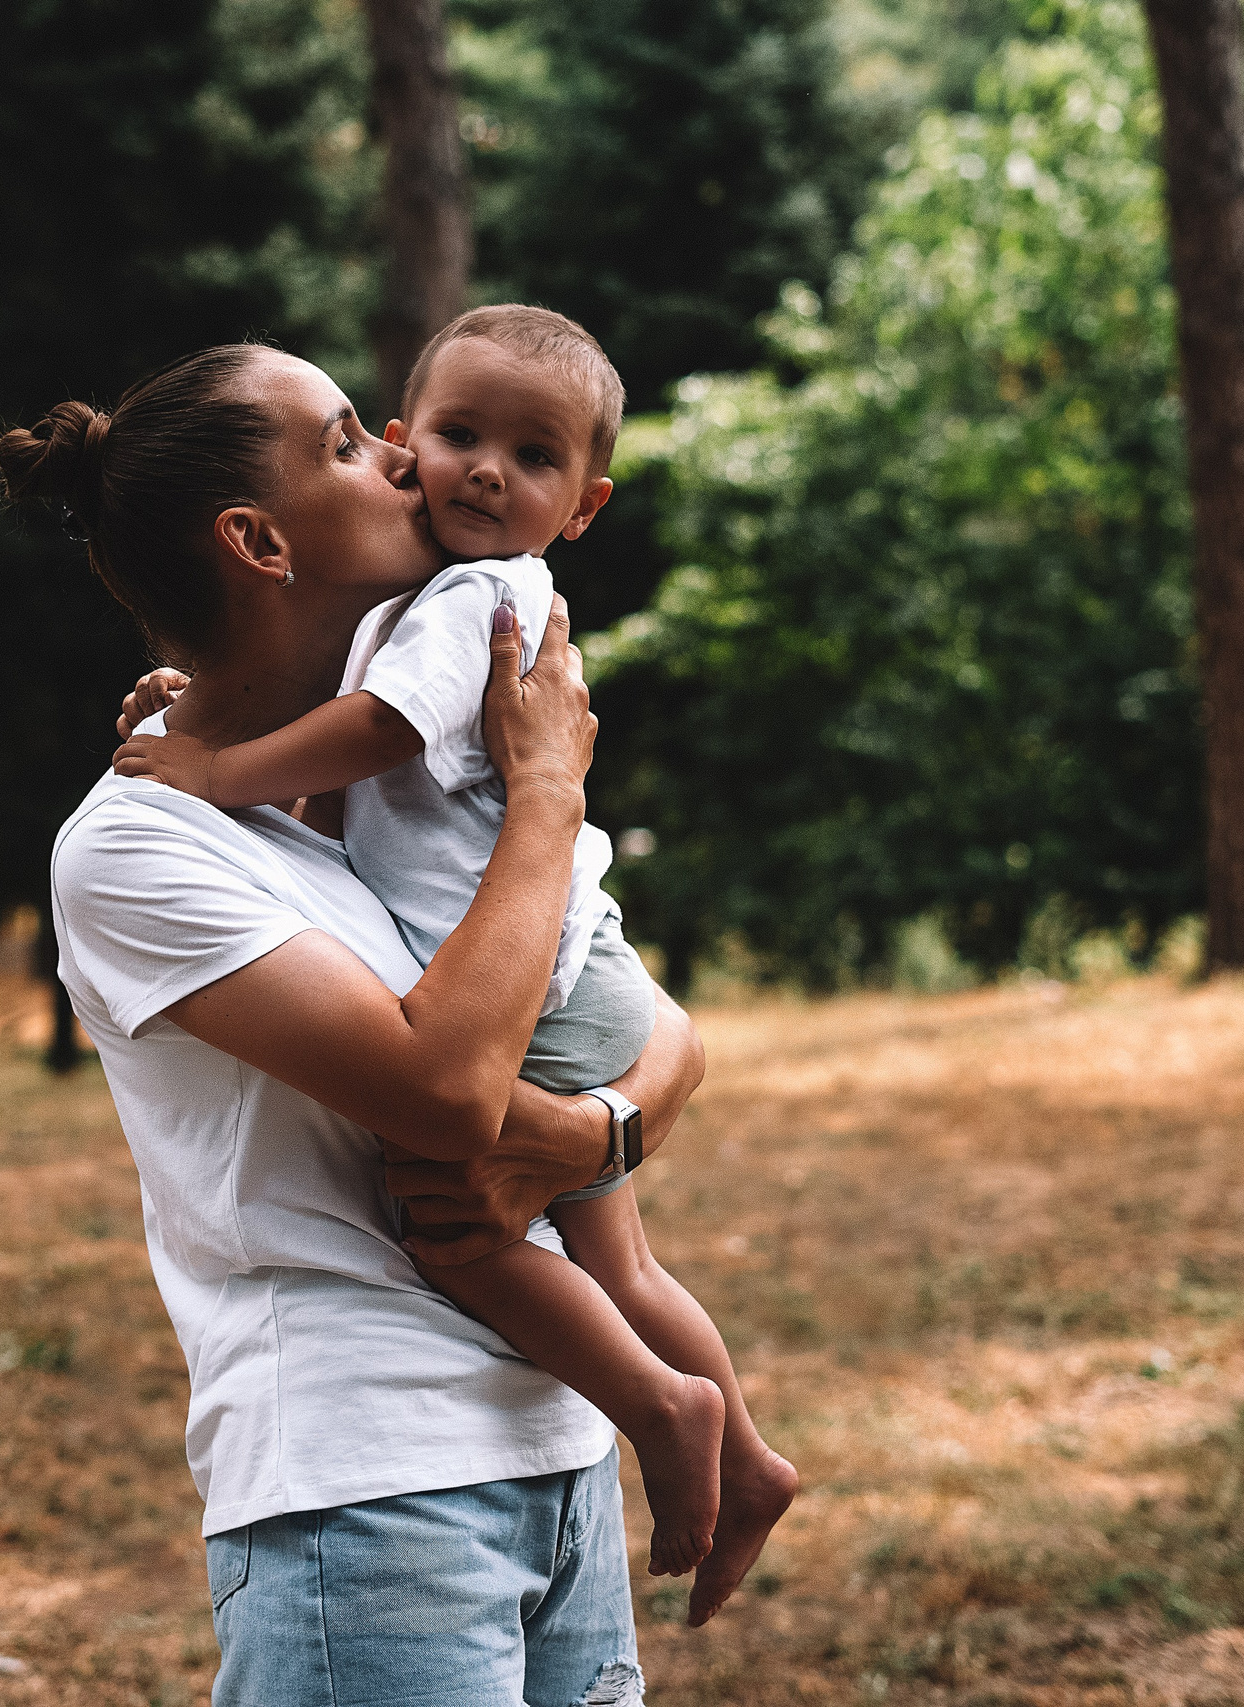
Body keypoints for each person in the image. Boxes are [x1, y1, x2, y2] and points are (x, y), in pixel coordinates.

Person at [0, 342, 703, 1704]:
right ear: (260, 543)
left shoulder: (371, 804)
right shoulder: (142, 843)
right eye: (341, 444)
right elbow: (449, 1095)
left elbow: (667, 1035)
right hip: (372, 1492)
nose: (401, 456)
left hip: (554, 1450)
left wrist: (593, 1136)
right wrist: (550, 793)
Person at [112, 307, 795, 1612]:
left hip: (537, 991)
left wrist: (212, 768)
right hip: (566, 969)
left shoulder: (481, 598)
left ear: (582, 507)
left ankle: (665, 1409)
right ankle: (748, 1456)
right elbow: (345, 794)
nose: (483, 472)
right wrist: (192, 708)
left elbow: (372, 741)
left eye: (533, 457)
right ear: (405, 438)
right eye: (458, 435)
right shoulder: (419, 607)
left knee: (456, 1225)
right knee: (621, 1265)